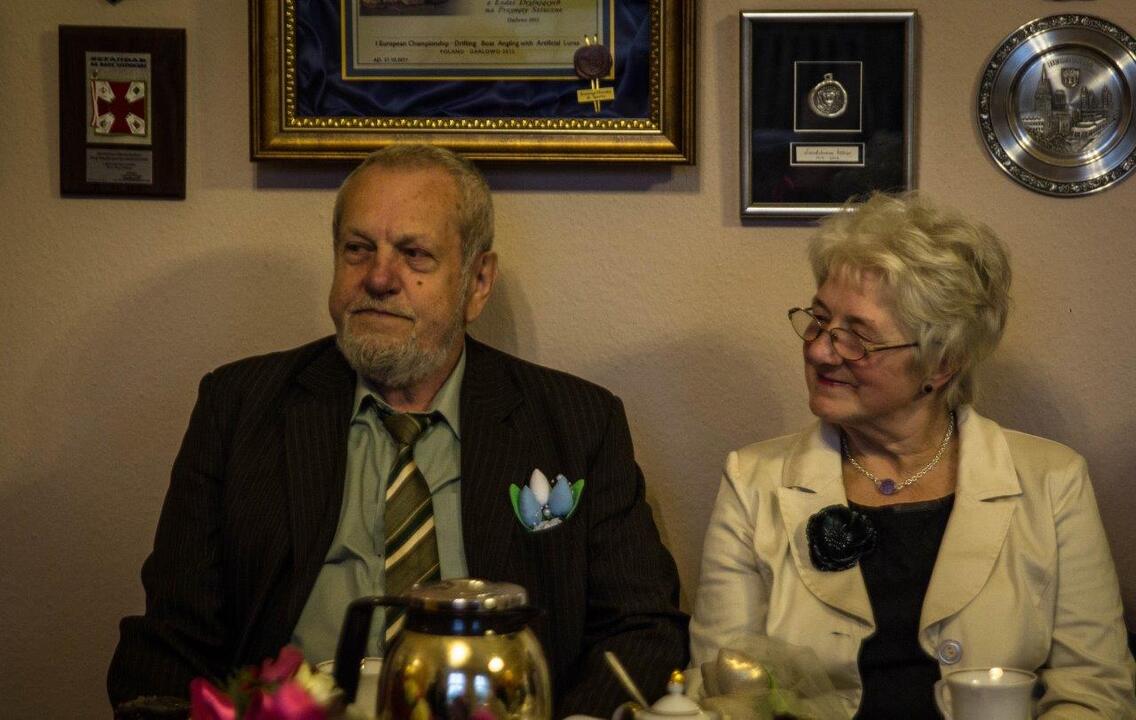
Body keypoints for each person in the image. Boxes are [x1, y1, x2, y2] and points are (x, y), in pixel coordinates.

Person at [108, 144, 688, 718]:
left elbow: (642, 628)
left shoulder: (577, 422)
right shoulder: (239, 407)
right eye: (358, 249)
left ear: (478, 282)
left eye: (414, 255)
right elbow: (170, 641)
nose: (379, 278)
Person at [689, 192, 1136, 718]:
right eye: (818, 320)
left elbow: (1094, 692)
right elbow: (722, 689)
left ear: (941, 363)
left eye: (857, 338)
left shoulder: (1053, 481)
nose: (819, 350)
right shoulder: (753, 480)